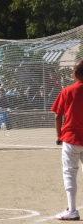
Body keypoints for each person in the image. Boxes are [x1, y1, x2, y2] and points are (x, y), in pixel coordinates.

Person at [52, 60, 83, 221]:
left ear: (76, 74)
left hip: (71, 138)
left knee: (69, 173)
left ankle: (72, 210)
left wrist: (58, 136)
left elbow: (58, 115)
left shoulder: (67, 91)